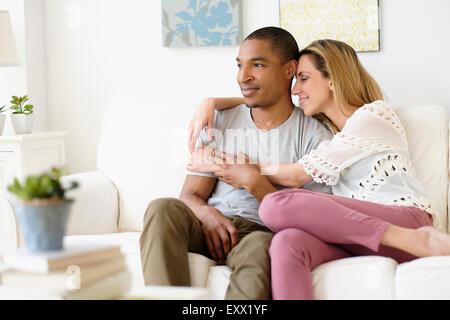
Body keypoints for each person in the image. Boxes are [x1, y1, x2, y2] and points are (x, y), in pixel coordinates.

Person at [187, 39, 450, 300]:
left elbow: (294, 176)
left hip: (406, 222)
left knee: (275, 206)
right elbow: (272, 100)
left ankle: (416, 240)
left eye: (303, 79)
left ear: (332, 79)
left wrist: (231, 165)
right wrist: (211, 101)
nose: (295, 90)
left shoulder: (373, 116)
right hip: (357, 238)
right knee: (286, 243)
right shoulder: (330, 135)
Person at [139, 27, 332, 300]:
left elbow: (309, 222)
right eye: (240, 65)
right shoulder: (220, 119)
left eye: (258, 65)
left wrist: (255, 182)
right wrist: (208, 216)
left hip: (260, 231)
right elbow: (190, 195)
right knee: (162, 208)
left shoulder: (313, 135)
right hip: (208, 225)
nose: (243, 77)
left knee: (260, 248)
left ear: (289, 70)